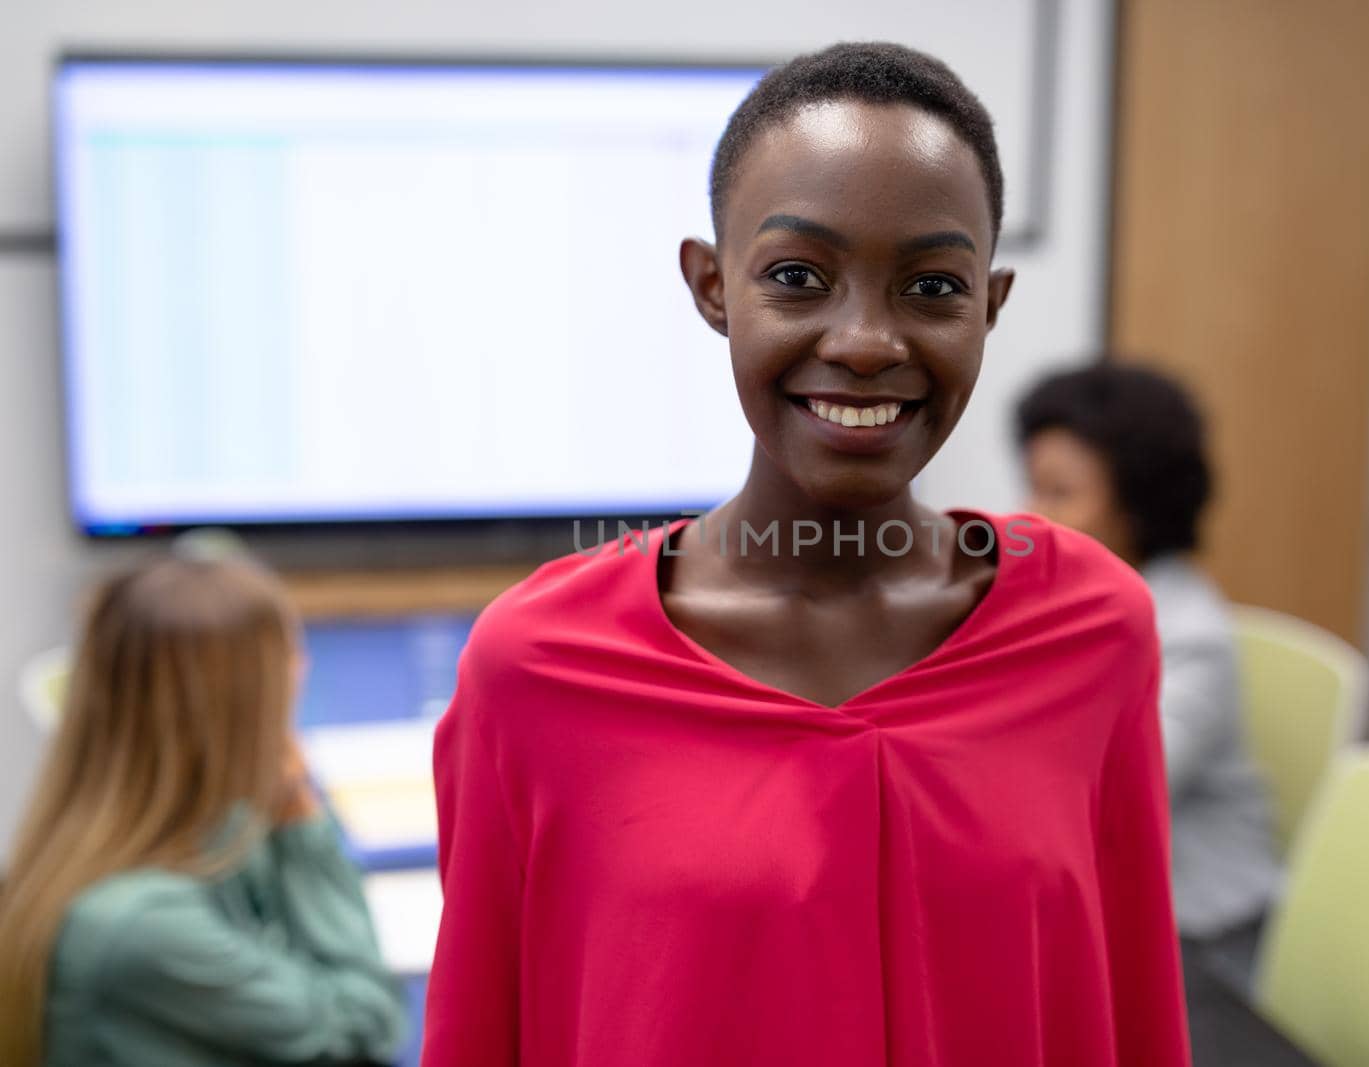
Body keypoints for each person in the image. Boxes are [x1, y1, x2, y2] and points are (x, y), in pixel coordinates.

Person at [424, 43, 1190, 1066]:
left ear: (990, 306)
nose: (868, 340)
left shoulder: (1090, 629)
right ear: (711, 286)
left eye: (931, 285)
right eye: (797, 275)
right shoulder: (540, 663)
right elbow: (482, 1030)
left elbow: (1131, 1012)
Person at [0, 556, 410, 1067]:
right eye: (288, 664)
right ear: (247, 706)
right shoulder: (141, 925)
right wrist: (299, 810)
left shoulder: (178, 849)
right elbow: (364, 1030)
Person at [1015, 359, 1281, 943]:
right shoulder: (1058, 600)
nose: (1033, 516)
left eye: (1061, 493)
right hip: (1097, 908)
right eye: (1033, 485)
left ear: (1137, 504)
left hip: (1202, 932)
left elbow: (1103, 797)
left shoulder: (1189, 639)